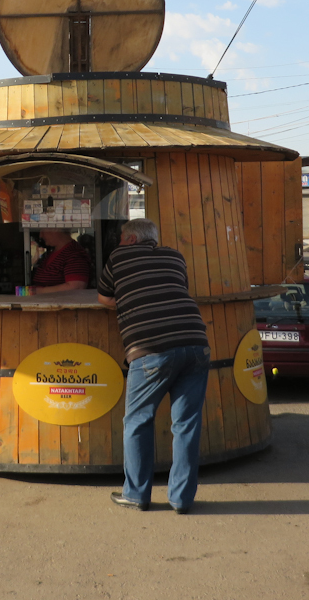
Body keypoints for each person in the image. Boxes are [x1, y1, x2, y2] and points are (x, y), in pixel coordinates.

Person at [97, 219, 210, 515]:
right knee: (186, 424)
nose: (119, 242)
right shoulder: (174, 256)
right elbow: (177, 290)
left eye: (122, 238)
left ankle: (136, 494)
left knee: (138, 420)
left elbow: (104, 296)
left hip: (151, 348)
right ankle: (182, 500)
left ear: (131, 239)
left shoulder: (119, 257)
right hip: (196, 341)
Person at [31, 229, 91, 294]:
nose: (41, 235)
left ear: (56, 230)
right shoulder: (51, 253)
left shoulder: (74, 253)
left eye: (43, 230)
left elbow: (77, 287)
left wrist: (38, 291)